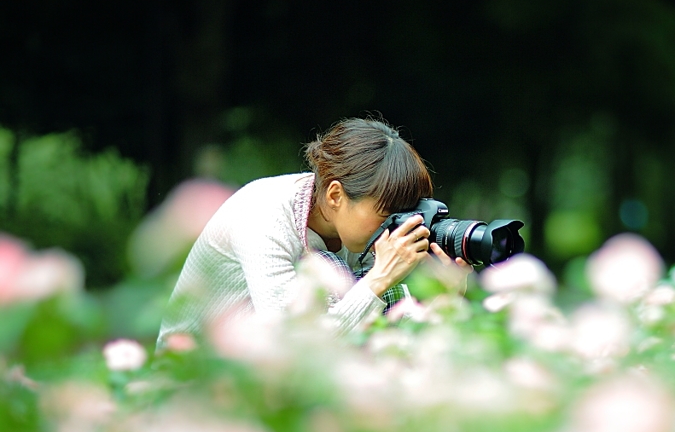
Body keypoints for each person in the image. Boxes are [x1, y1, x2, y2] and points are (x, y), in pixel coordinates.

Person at [156, 117, 470, 349]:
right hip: (192, 380)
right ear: (335, 196)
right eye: (387, 215)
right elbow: (293, 348)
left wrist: (443, 300)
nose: (396, 227)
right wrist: (378, 280)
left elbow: (391, 332)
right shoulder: (263, 217)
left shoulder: (355, 231)